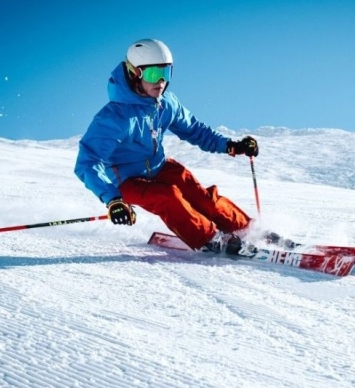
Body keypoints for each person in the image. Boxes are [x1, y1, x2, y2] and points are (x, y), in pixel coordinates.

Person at [74, 39, 260, 254]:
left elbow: (195, 130)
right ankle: (211, 240)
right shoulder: (114, 118)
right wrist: (113, 200)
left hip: (160, 167)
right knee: (167, 196)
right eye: (153, 74)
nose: (161, 81)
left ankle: (248, 230)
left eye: (167, 73)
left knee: (202, 197)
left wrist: (231, 145)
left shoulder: (166, 103)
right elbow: (88, 162)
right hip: (126, 181)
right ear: (135, 73)